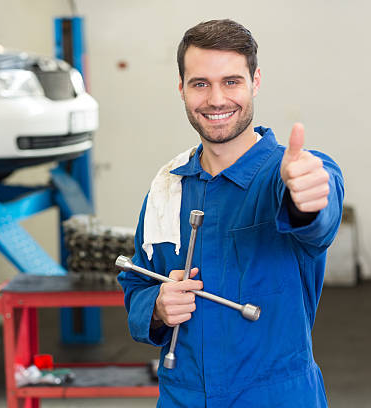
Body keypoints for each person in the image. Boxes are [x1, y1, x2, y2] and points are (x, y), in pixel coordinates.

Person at [117, 19, 344, 407]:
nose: (216, 99)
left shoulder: (287, 174)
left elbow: (316, 220)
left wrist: (306, 199)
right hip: (184, 396)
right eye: (200, 83)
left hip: (277, 397)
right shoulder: (167, 188)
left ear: (256, 81)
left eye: (232, 81)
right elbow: (136, 281)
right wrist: (156, 306)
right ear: (182, 89)